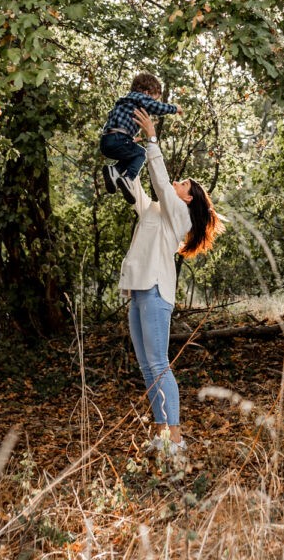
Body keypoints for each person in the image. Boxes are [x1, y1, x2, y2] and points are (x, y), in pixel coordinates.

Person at [120, 106, 224, 457]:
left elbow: (161, 183)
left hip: (155, 292)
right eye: (178, 181)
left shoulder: (180, 215)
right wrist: (129, 152)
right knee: (147, 366)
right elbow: (137, 190)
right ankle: (162, 435)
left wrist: (152, 139)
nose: (177, 183)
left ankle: (176, 440)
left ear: (188, 197)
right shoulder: (158, 211)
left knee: (158, 363)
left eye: (183, 184)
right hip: (139, 291)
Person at [100, 71, 180, 204]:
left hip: (106, 141)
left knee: (133, 154)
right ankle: (128, 179)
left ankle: (114, 170)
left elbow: (118, 121)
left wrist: (129, 139)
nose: (152, 102)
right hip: (119, 138)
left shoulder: (126, 101)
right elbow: (156, 107)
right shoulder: (141, 97)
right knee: (141, 153)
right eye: (153, 98)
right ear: (147, 92)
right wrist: (174, 108)